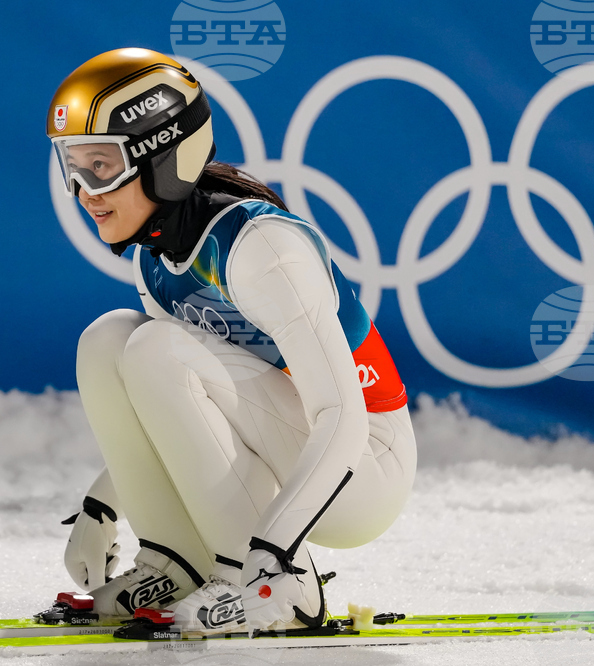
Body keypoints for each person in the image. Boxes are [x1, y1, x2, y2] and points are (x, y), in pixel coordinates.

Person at [45, 48, 417, 636]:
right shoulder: (155, 262)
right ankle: (178, 563)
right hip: (288, 442)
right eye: (71, 165)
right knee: (109, 340)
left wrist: (274, 558)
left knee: (153, 348)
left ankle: (281, 590)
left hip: (363, 464)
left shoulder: (260, 248)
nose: (83, 190)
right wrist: (103, 501)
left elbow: (341, 415)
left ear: (163, 155)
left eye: (101, 165)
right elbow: (179, 408)